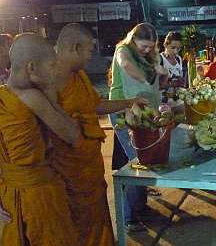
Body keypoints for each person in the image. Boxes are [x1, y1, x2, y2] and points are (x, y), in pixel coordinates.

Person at [53, 23, 148, 245]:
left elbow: (94, 105)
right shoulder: (48, 79)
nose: (90, 56)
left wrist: (129, 102)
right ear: (75, 48)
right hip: (64, 173)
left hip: (89, 167)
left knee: (96, 223)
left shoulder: (79, 76)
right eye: (88, 50)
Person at [0, 33, 81, 245]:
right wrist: (49, 92)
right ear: (32, 68)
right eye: (52, 65)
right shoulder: (31, 97)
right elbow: (72, 136)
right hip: (39, 195)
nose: (55, 70)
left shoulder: (3, 96)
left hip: (8, 195)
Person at [109, 22, 167, 232]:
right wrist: (147, 76)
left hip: (147, 112)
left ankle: (140, 207)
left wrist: (162, 75)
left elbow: (160, 85)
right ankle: (127, 217)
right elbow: (126, 65)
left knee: (146, 161)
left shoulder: (153, 55)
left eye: (150, 46)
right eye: (143, 46)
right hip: (124, 111)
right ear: (133, 40)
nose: (147, 50)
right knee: (137, 162)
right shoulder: (123, 50)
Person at [160, 31, 184, 112]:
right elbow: (155, 85)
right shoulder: (160, 60)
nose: (176, 51)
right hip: (162, 103)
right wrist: (172, 83)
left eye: (178, 48)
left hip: (176, 100)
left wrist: (181, 82)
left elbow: (180, 81)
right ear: (165, 45)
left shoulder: (178, 59)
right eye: (173, 48)